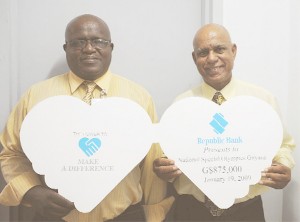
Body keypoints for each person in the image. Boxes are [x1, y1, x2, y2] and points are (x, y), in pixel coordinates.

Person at [0, 14, 173, 222]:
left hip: (125, 216)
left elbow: (149, 165)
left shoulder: (138, 97)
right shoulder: (35, 97)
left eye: (99, 41)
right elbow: (12, 153)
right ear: (66, 48)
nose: (89, 49)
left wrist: (153, 213)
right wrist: (30, 190)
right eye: (78, 42)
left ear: (111, 47)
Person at [153, 23, 295, 221]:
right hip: (191, 211)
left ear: (233, 51)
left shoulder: (262, 101)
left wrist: (283, 167)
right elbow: (167, 155)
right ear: (194, 58)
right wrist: (164, 169)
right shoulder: (181, 105)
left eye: (219, 49)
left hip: (246, 211)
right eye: (203, 52)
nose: (212, 58)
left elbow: (284, 145)